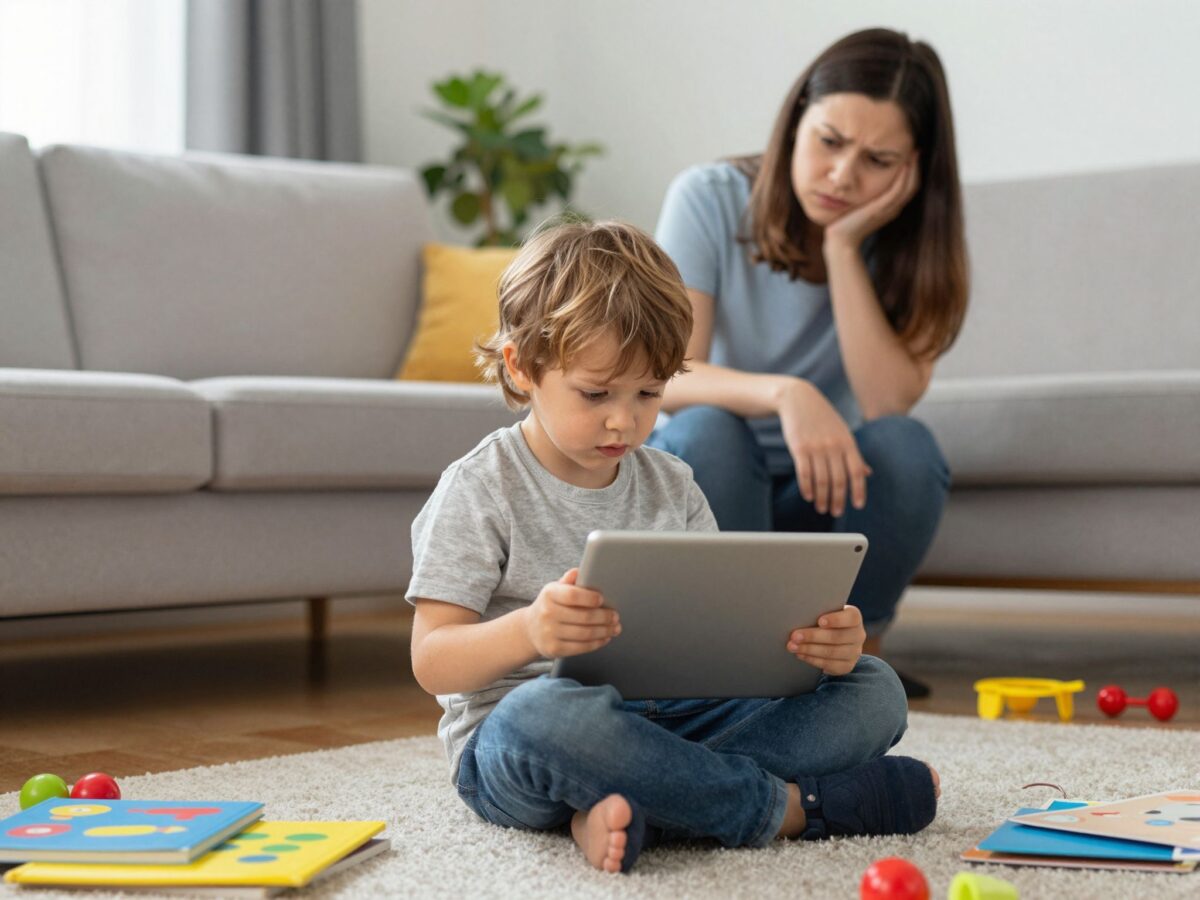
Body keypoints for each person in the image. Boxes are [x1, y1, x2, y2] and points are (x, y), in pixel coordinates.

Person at [406, 219, 939, 875]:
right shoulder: (479, 488)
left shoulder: (671, 482)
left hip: (672, 721)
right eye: (596, 393)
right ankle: (788, 810)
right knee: (542, 718)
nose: (624, 419)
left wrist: (820, 647)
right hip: (529, 741)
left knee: (874, 689)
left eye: (649, 393)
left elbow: (722, 639)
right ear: (522, 367)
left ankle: (639, 801)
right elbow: (432, 662)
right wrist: (530, 631)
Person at [649, 28, 969, 699]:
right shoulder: (707, 196)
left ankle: (856, 653)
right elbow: (671, 373)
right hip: (713, 485)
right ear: (794, 123)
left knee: (906, 448)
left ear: (914, 170)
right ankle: (732, 656)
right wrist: (786, 394)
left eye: (878, 159)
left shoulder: (912, 249)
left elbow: (886, 404)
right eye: (829, 141)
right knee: (706, 427)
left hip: (823, 491)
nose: (843, 175)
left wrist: (844, 248)